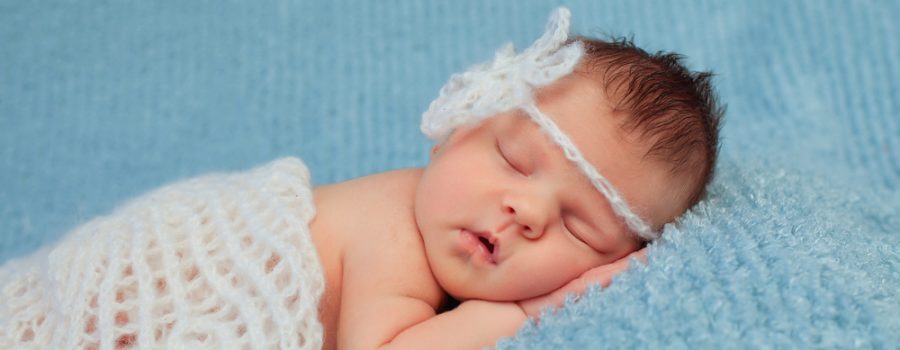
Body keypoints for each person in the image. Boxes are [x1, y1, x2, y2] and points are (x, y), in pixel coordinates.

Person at [0, 7, 722, 349]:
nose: (524, 210)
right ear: (459, 123)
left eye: (578, 224)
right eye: (512, 158)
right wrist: (532, 312)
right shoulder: (391, 228)